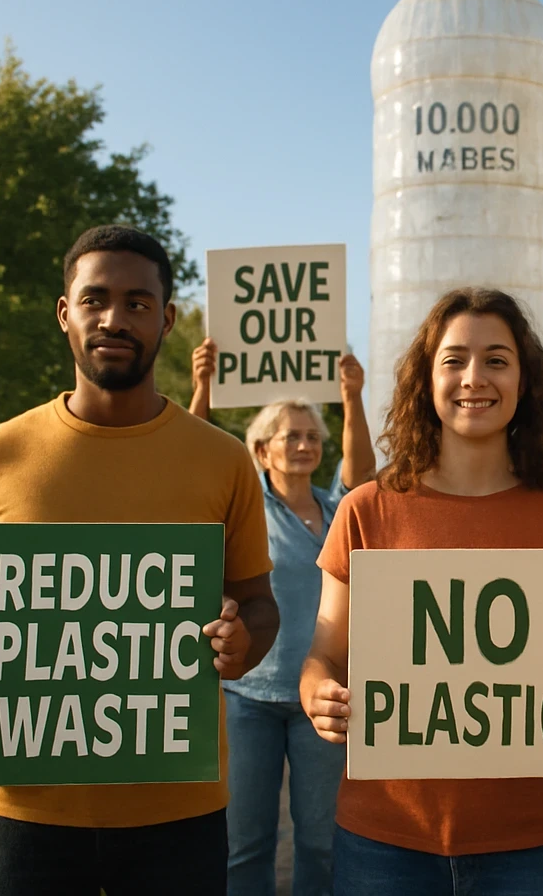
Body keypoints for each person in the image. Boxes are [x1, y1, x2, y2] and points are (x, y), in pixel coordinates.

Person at [0, 225, 278, 896]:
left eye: (137, 302)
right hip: (22, 807)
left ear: (167, 319)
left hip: (178, 810)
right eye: (95, 298)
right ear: (64, 312)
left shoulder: (222, 460)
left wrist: (243, 643)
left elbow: (258, 602)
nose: (114, 318)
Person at [299, 288, 543, 896]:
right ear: (426, 378)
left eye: (497, 359)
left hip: (537, 843)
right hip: (384, 839)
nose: (475, 377)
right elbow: (322, 658)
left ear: (524, 381)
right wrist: (320, 697)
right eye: (454, 359)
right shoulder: (366, 510)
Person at [189, 341, 374, 895]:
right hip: (248, 697)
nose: (303, 444)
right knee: (246, 842)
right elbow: (194, 458)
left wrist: (351, 396)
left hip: (321, 699)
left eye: (312, 435)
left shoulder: (338, 507)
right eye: (290, 436)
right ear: (261, 450)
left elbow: (362, 469)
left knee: (322, 840)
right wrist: (203, 388)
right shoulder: (242, 506)